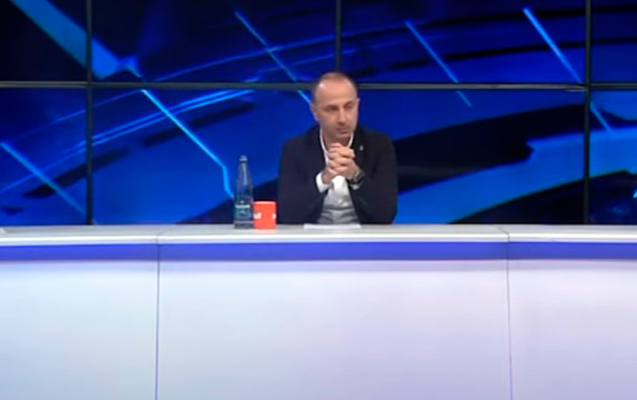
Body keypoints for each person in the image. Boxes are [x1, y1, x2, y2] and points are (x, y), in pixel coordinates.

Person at [277, 72, 398, 224]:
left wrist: (355, 175)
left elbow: (387, 214)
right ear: (315, 112)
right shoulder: (295, 148)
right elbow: (287, 214)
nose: (342, 119)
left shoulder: (379, 145)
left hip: (364, 235)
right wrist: (323, 179)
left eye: (349, 107)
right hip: (313, 236)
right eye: (332, 109)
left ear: (357, 105)